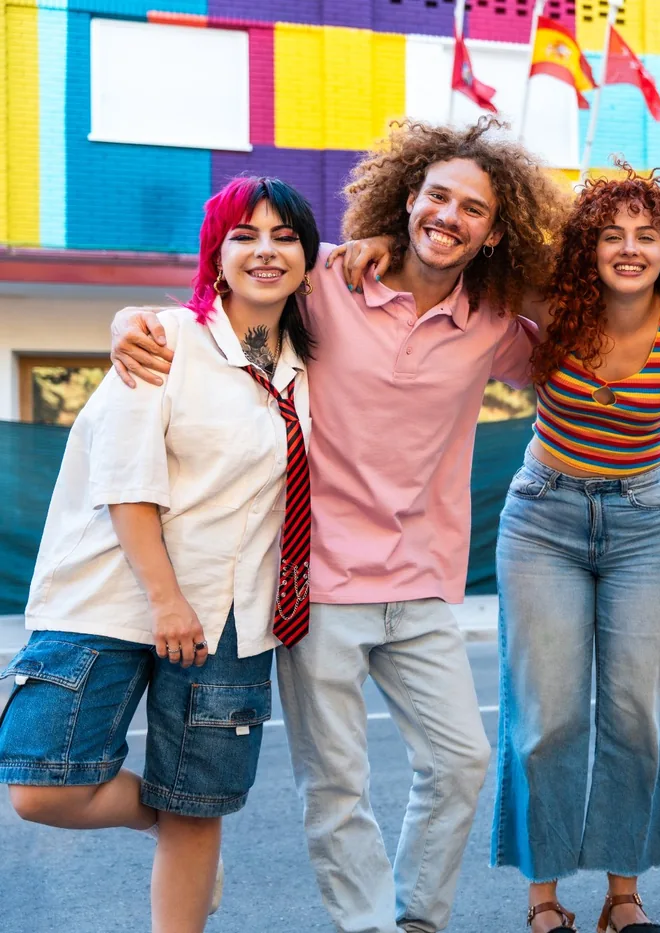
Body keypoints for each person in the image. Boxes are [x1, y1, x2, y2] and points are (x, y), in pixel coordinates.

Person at [110, 119, 569, 933]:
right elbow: (219, 303)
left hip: (425, 580)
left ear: (493, 231)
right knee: (337, 783)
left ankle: (417, 917)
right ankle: (367, 926)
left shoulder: (493, 322)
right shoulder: (324, 278)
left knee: (461, 762)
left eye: (474, 209)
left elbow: (573, 334)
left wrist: (524, 271)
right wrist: (128, 322)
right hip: (317, 583)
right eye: (438, 197)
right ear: (408, 198)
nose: (449, 217)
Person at [1, 176, 318, 932]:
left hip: (233, 614)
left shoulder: (308, 369)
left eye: (284, 236)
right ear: (215, 254)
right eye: (244, 235)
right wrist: (166, 599)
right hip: (114, 595)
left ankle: (183, 849)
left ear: (310, 256)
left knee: (198, 803)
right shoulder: (164, 338)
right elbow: (126, 478)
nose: (265, 251)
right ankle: (159, 818)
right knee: (42, 786)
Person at [491, 167, 660, 933]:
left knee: (640, 714)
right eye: (610, 235)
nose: (628, 249)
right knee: (548, 717)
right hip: (543, 517)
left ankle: (623, 897)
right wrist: (364, 245)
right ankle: (544, 899)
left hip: (646, 521)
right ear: (586, 247)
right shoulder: (552, 301)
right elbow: (466, 260)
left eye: (647, 235)